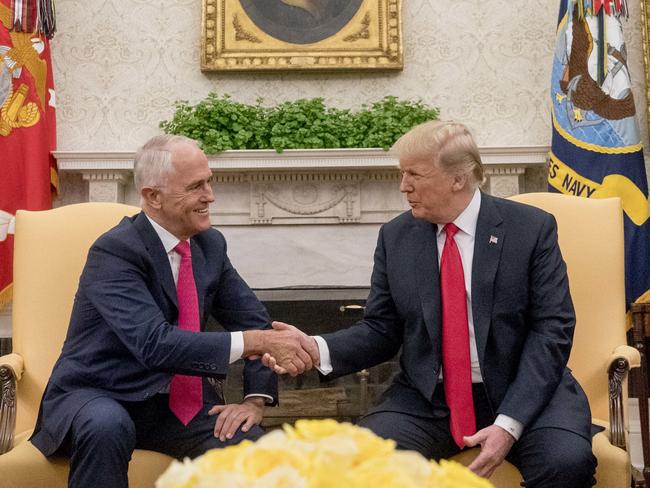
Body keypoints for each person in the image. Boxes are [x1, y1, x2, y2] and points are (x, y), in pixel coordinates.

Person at [267, 121, 596, 487]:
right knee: (360, 463)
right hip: (428, 398)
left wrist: (508, 424)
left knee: (566, 462)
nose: (403, 185)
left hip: (525, 392)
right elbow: (381, 329)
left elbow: (552, 330)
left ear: (458, 178)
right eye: (402, 173)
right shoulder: (397, 236)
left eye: (415, 174)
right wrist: (316, 348)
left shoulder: (530, 229)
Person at [30, 134, 317, 488]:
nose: (209, 195)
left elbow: (255, 322)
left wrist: (255, 400)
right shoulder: (115, 251)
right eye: (196, 186)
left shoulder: (209, 245)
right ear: (153, 196)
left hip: (174, 405)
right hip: (98, 393)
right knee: (107, 425)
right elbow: (154, 343)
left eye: (209, 182)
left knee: (254, 447)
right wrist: (257, 341)